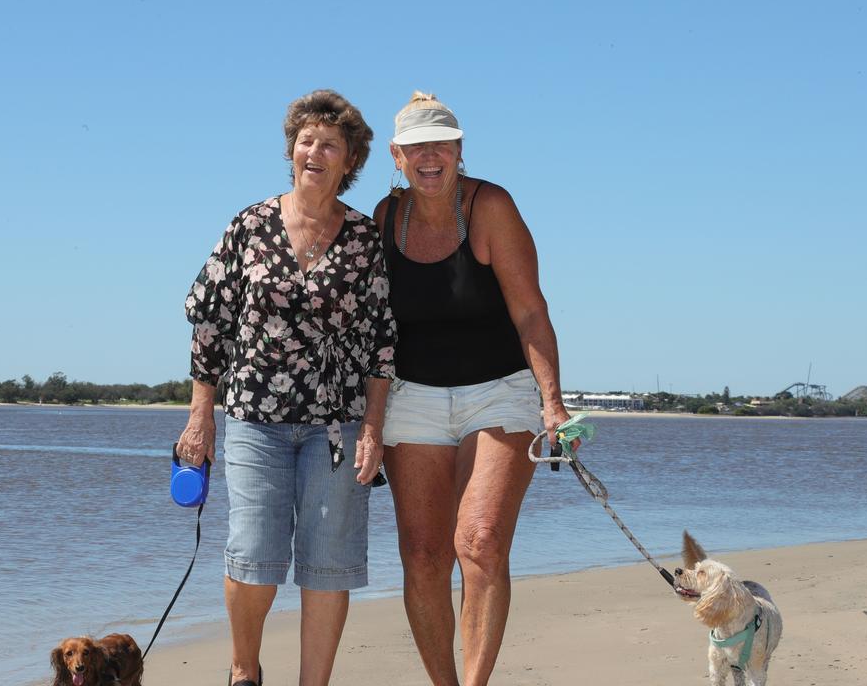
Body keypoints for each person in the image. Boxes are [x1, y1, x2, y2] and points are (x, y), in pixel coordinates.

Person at [176, 89, 396, 686]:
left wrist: (373, 431)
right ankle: (244, 672)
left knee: (329, 568)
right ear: (290, 150)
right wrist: (201, 416)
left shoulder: (362, 240)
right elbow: (209, 320)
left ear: (350, 161)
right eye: (306, 140)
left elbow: (382, 344)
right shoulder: (249, 226)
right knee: (252, 558)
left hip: (338, 426)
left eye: (330, 144)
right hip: (253, 419)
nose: (315, 152)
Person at [373, 92, 576, 686]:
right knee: (423, 555)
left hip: (500, 391)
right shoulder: (386, 218)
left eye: (442, 144)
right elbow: (369, 326)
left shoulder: (491, 207)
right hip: (412, 396)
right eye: (416, 147)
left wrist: (554, 403)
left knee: (480, 543)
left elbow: (532, 315)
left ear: (460, 151)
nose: (429, 156)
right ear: (396, 156)